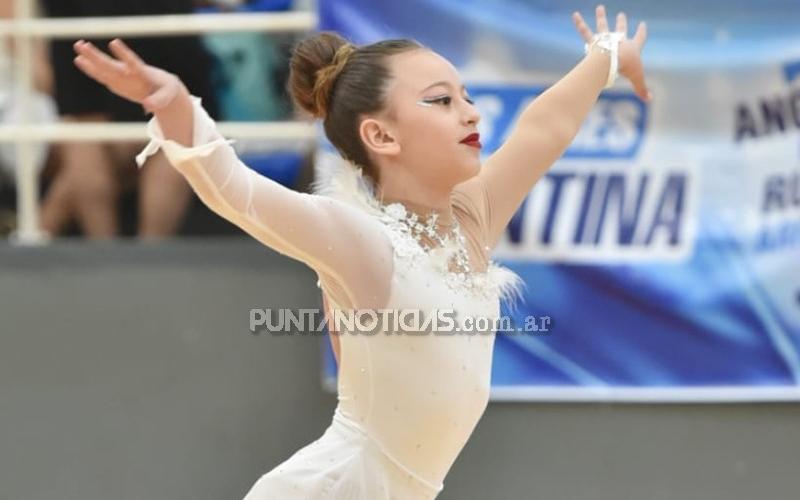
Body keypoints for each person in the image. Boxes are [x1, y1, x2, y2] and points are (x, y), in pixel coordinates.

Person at [71, 5, 649, 498]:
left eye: (467, 96)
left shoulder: (471, 219)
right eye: (441, 101)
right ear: (381, 136)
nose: (471, 112)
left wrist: (607, 53)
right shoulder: (363, 242)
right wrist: (175, 108)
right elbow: (240, 193)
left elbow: (543, 127)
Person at [39, 0, 219, 239]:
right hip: (155, 21)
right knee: (173, 126)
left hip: (79, 21)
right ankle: (147, 253)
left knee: (86, 125)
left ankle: (104, 250)